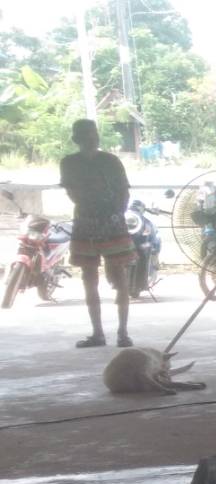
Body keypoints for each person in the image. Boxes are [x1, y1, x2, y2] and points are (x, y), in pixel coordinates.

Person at [59, 120, 135, 348]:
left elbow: (124, 192)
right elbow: (73, 193)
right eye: (87, 134)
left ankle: (122, 332)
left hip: (110, 223)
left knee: (118, 276)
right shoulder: (70, 163)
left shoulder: (110, 161)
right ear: (77, 139)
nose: (92, 138)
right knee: (89, 278)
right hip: (87, 223)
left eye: (93, 133)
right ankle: (99, 333)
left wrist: (116, 214)